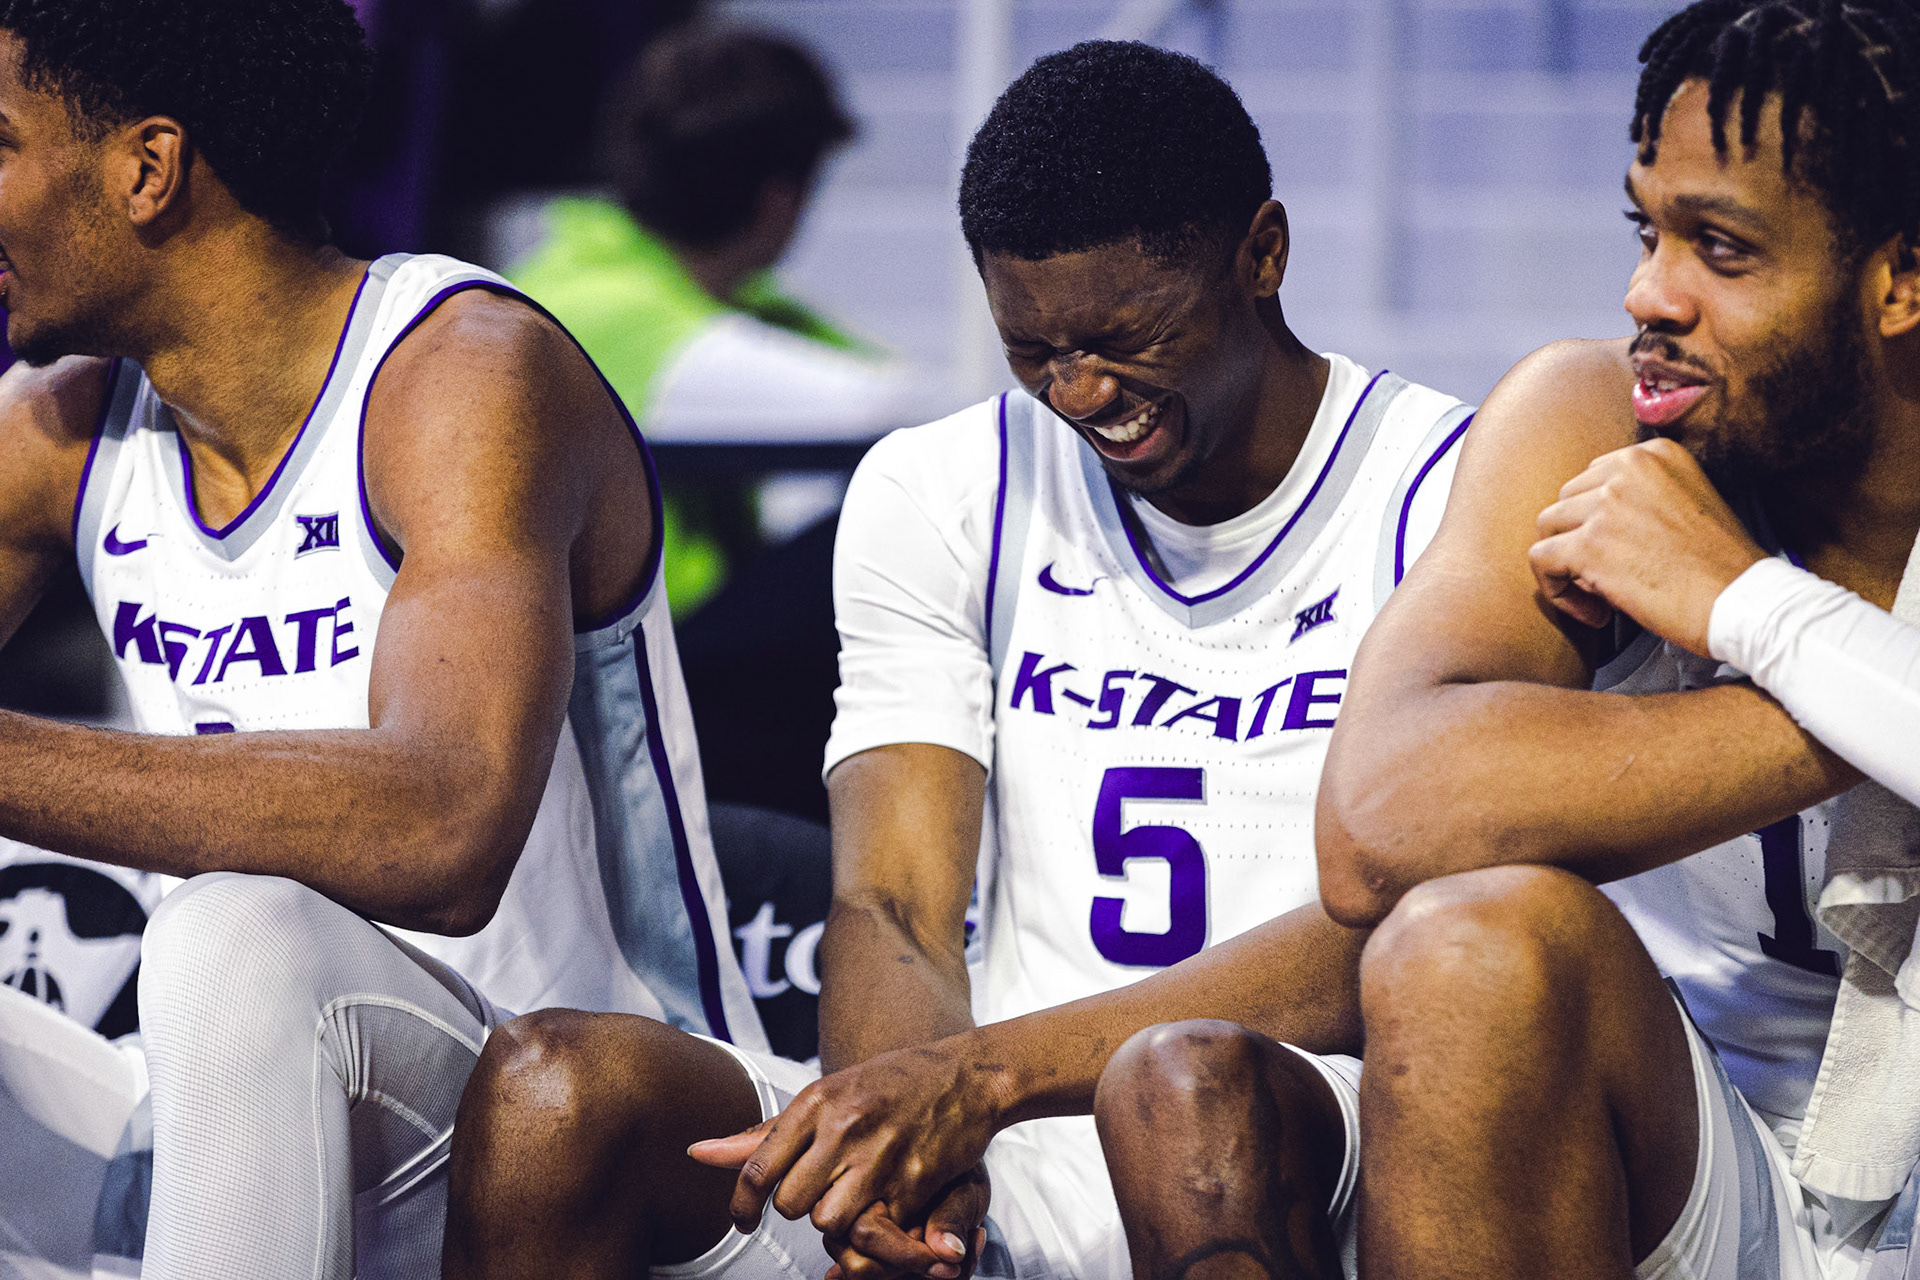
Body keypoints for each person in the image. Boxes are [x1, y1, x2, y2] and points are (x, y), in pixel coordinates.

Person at [442, 41, 1473, 1280]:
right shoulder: (940, 486)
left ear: (1263, 253)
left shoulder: (1446, 490)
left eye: (1123, 336)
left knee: (1185, 1086)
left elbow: (1407, 927)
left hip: (1305, 1119)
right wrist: (911, 1147)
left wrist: (974, 1076)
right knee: (556, 1094)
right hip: (1007, 1119)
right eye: (1034, 350)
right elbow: (893, 902)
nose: (1084, 392)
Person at [1099, 2, 1920, 1277]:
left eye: (1724, 249)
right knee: (1466, 944)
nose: (1652, 293)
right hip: (1704, 1165)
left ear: (1901, 277)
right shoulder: (1599, 424)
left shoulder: (1706, 550)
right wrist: (1863, 705)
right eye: (1647, 229)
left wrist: (1745, 605)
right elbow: (1378, 822)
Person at [0, 1, 769, 1277]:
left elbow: (446, 826)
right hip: (246, 1122)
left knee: (233, 928)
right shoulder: (62, 425)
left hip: (581, 1127)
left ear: (147, 168)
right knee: (228, 950)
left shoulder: (463, 375)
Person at [510, 24, 919, 616]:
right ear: (782, 197)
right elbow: (891, 412)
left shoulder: (705, 293)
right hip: (627, 658)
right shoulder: (595, 305)